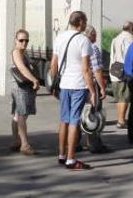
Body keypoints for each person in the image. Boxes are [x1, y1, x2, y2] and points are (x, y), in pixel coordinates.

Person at [50, 11, 98, 170]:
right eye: (85, 21)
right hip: (78, 85)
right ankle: (71, 159)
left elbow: (53, 65)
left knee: (64, 120)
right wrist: (92, 90)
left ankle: (61, 155)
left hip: (64, 84)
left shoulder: (60, 37)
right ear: (81, 22)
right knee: (74, 121)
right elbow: (86, 69)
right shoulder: (83, 40)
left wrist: (53, 85)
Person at [10, 29, 40, 155]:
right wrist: (34, 80)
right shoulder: (16, 52)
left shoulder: (24, 52)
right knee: (22, 114)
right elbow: (22, 68)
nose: (24, 43)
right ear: (16, 40)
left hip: (23, 87)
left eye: (26, 40)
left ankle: (17, 141)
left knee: (18, 115)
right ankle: (24, 144)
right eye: (21, 40)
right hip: (20, 87)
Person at [83, 25, 109, 154]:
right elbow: (97, 70)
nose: (96, 36)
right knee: (94, 115)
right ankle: (94, 144)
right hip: (92, 84)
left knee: (83, 114)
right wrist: (103, 88)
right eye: (95, 34)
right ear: (90, 34)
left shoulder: (79, 46)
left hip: (80, 84)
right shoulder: (93, 48)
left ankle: (80, 143)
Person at [109, 22, 133, 129]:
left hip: (115, 70)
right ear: (132, 28)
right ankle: (121, 120)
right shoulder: (130, 39)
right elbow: (130, 56)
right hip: (124, 70)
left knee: (119, 96)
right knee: (124, 96)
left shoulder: (116, 38)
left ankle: (120, 118)